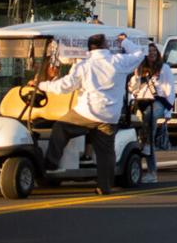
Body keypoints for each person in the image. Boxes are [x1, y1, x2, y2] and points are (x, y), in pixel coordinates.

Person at [36, 33, 145, 195]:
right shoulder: (118, 61)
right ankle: (104, 187)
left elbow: (64, 87)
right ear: (105, 45)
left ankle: (51, 163)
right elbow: (139, 54)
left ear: (90, 48)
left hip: (86, 113)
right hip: (110, 116)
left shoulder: (84, 66)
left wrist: (41, 85)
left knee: (60, 127)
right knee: (106, 153)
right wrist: (125, 42)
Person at [129, 42, 175, 184]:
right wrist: (136, 75)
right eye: (149, 51)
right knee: (142, 136)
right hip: (141, 101)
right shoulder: (140, 68)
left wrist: (168, 112)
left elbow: (170, 89)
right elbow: (132, 88)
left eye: (154, 51)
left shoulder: (164, 68)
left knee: (148, 129)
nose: (152, 53)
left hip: (157, 101)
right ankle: (145, 152)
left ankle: (151, 171)